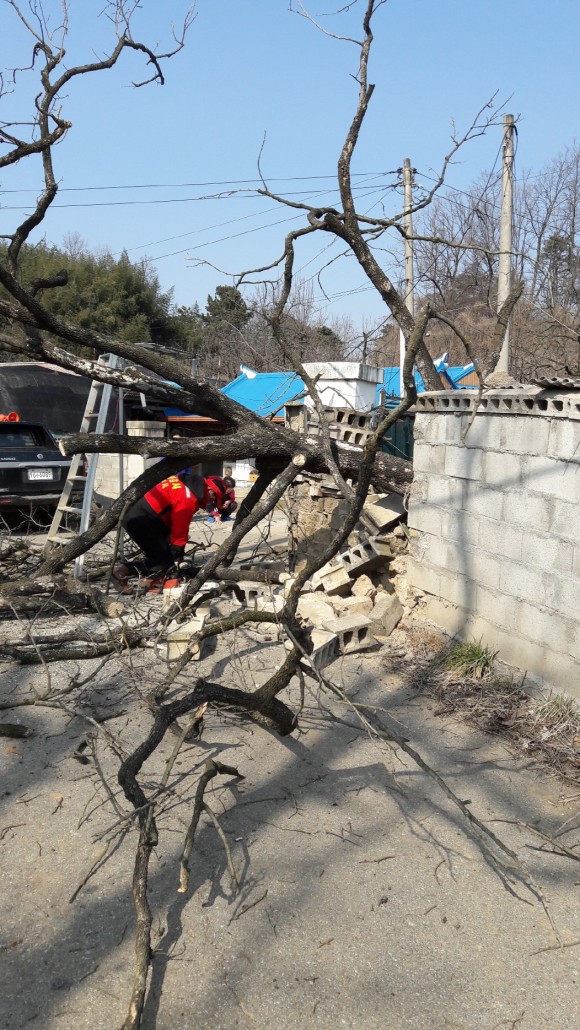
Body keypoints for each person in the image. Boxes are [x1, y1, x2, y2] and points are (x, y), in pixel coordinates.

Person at [112, 471, 225, 593]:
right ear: (209, 489)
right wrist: (177, 554)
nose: (212, 501)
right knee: (162, 562)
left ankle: (155, 578)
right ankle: (121, 572)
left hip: (142, 514)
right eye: (214, 497)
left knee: (161, 556)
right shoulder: (187, 498)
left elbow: (171, 517)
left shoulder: (182, 484)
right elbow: (180, 529)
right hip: (142, 518)